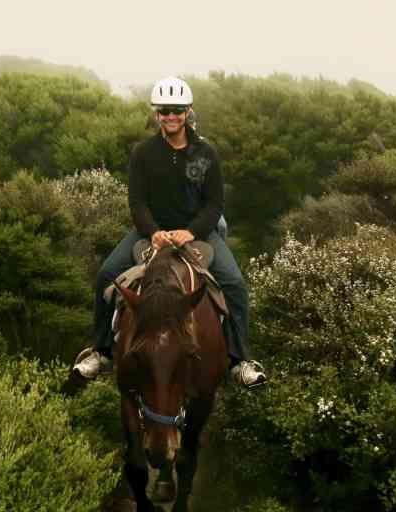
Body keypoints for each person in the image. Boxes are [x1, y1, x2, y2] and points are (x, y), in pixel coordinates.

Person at [73, 76, 266, 388]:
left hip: (199, 234)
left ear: (188, 111)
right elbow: (137, 202)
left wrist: (191, 232)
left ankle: (239, 361)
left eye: (176, 110)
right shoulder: (143, 153)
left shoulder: (206, 153)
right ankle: (101, 352)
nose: (171, 116)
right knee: (106, 274)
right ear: (156, 114)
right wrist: (153, 232)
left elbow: (215, 203)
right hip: (150, 233)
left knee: (235, 284)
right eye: (164, 111)